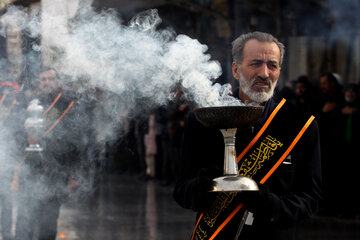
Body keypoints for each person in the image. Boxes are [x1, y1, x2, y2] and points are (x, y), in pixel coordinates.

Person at [173, 31, 322, 240]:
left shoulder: (299, 124)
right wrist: (203, 185)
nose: (264, 73)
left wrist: (269, 204)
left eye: (272, 65)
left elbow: (310, 198)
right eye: (255, 63)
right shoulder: (204, 119)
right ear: (236, 69)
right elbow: (181, 192)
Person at [14, 67, 84, 240]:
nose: (46, 82)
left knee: (48, 223)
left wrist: (74, 174)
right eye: (43, 79)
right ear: (39, 83)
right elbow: (17, 132)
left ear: (57, 82)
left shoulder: (65, 105)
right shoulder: (29, 104)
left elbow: (74, 142)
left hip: (55, 171)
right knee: (24, 220)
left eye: (50, 79)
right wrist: (26, 140)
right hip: (30, 171)